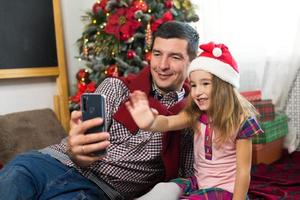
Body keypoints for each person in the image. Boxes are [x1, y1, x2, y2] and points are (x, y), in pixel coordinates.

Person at [0, 21, 199, 200]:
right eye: (157, 54)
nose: (162, 65)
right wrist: (76, 148)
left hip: (97, 190)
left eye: (174, 57)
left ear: (192, 62)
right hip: (49, 162)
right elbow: (80, 148)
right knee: (15, 176)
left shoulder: (190, 117)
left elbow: (190, 175)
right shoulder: (116, 88)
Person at [126, 42, 264, 200]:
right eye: (193, 85)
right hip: (197, 183)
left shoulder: (241, 121)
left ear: (224, 85)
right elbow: (169, 122)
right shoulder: (196, 114)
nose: (197, 92)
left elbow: (243, 170)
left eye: (205, 84)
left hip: (225, 191)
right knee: (164, 188)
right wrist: (150, 123)